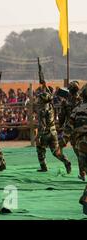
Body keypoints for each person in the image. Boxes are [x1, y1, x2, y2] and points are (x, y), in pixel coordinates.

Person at [35, 90, 71, 173]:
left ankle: (43, 167)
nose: (38, 100)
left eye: (40, 99)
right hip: (53, 132)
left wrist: (38, 136)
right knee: (56, 151)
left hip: (45, 133)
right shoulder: (51, 106)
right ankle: (66, 161)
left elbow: (42, 126)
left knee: (40, 148)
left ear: (43, 100)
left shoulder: (42, 110)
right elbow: (49, 96)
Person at [59, 81, 84, 179]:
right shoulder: (82, 100)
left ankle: (82, 172)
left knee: (77, 151)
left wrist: (60, 126)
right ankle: (82, 172)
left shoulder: (66, 102)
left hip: (71, 130)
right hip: (81, 129)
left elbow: (62, 117)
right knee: (80, 151)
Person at [70, 85, 87, 214]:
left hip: (81, 146)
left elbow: (68, 126)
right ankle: (85, 199)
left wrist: (63, 140)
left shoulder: (76, 109)